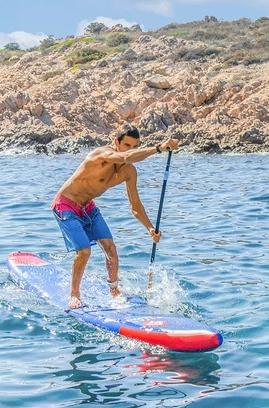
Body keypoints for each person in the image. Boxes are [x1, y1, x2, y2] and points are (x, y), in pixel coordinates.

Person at [51, 124, 179, 308]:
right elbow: (125, 156)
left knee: (110, 248)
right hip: (66, 205)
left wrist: (150, 228)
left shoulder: (128, 171)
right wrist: (158, 148)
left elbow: (135, 205)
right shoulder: (101, 155)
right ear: (115, 142)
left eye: (135, 146)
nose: (131, 150)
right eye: (127, 145)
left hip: (88, 207)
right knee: (84, 251)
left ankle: (114, 289)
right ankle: (74, 294)